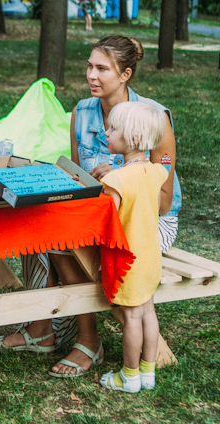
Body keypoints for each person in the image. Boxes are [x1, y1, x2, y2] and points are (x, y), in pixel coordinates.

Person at [0, 35, 182, 378]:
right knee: (40, 227)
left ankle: (87, 339)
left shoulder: (152, 117)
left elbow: (162, 203)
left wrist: (119, 179)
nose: (92, 75)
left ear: (126, 75)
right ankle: (42, 328)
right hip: (97, 215)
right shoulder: (81, 111)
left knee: (62, 240)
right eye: (90, 66)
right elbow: (79, 180)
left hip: (147, 223)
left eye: (102, 69)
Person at [99, 101, 169, 392]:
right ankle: (148, 372)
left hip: (127, 259)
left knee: (131, 318)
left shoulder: (115, 180)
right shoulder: (156, 172)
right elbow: (162, 167)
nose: (107, 132)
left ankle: (129, 376)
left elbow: (106, 221)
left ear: (134, 139)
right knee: (148, 313)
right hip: (150, 257)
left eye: (113, 129)